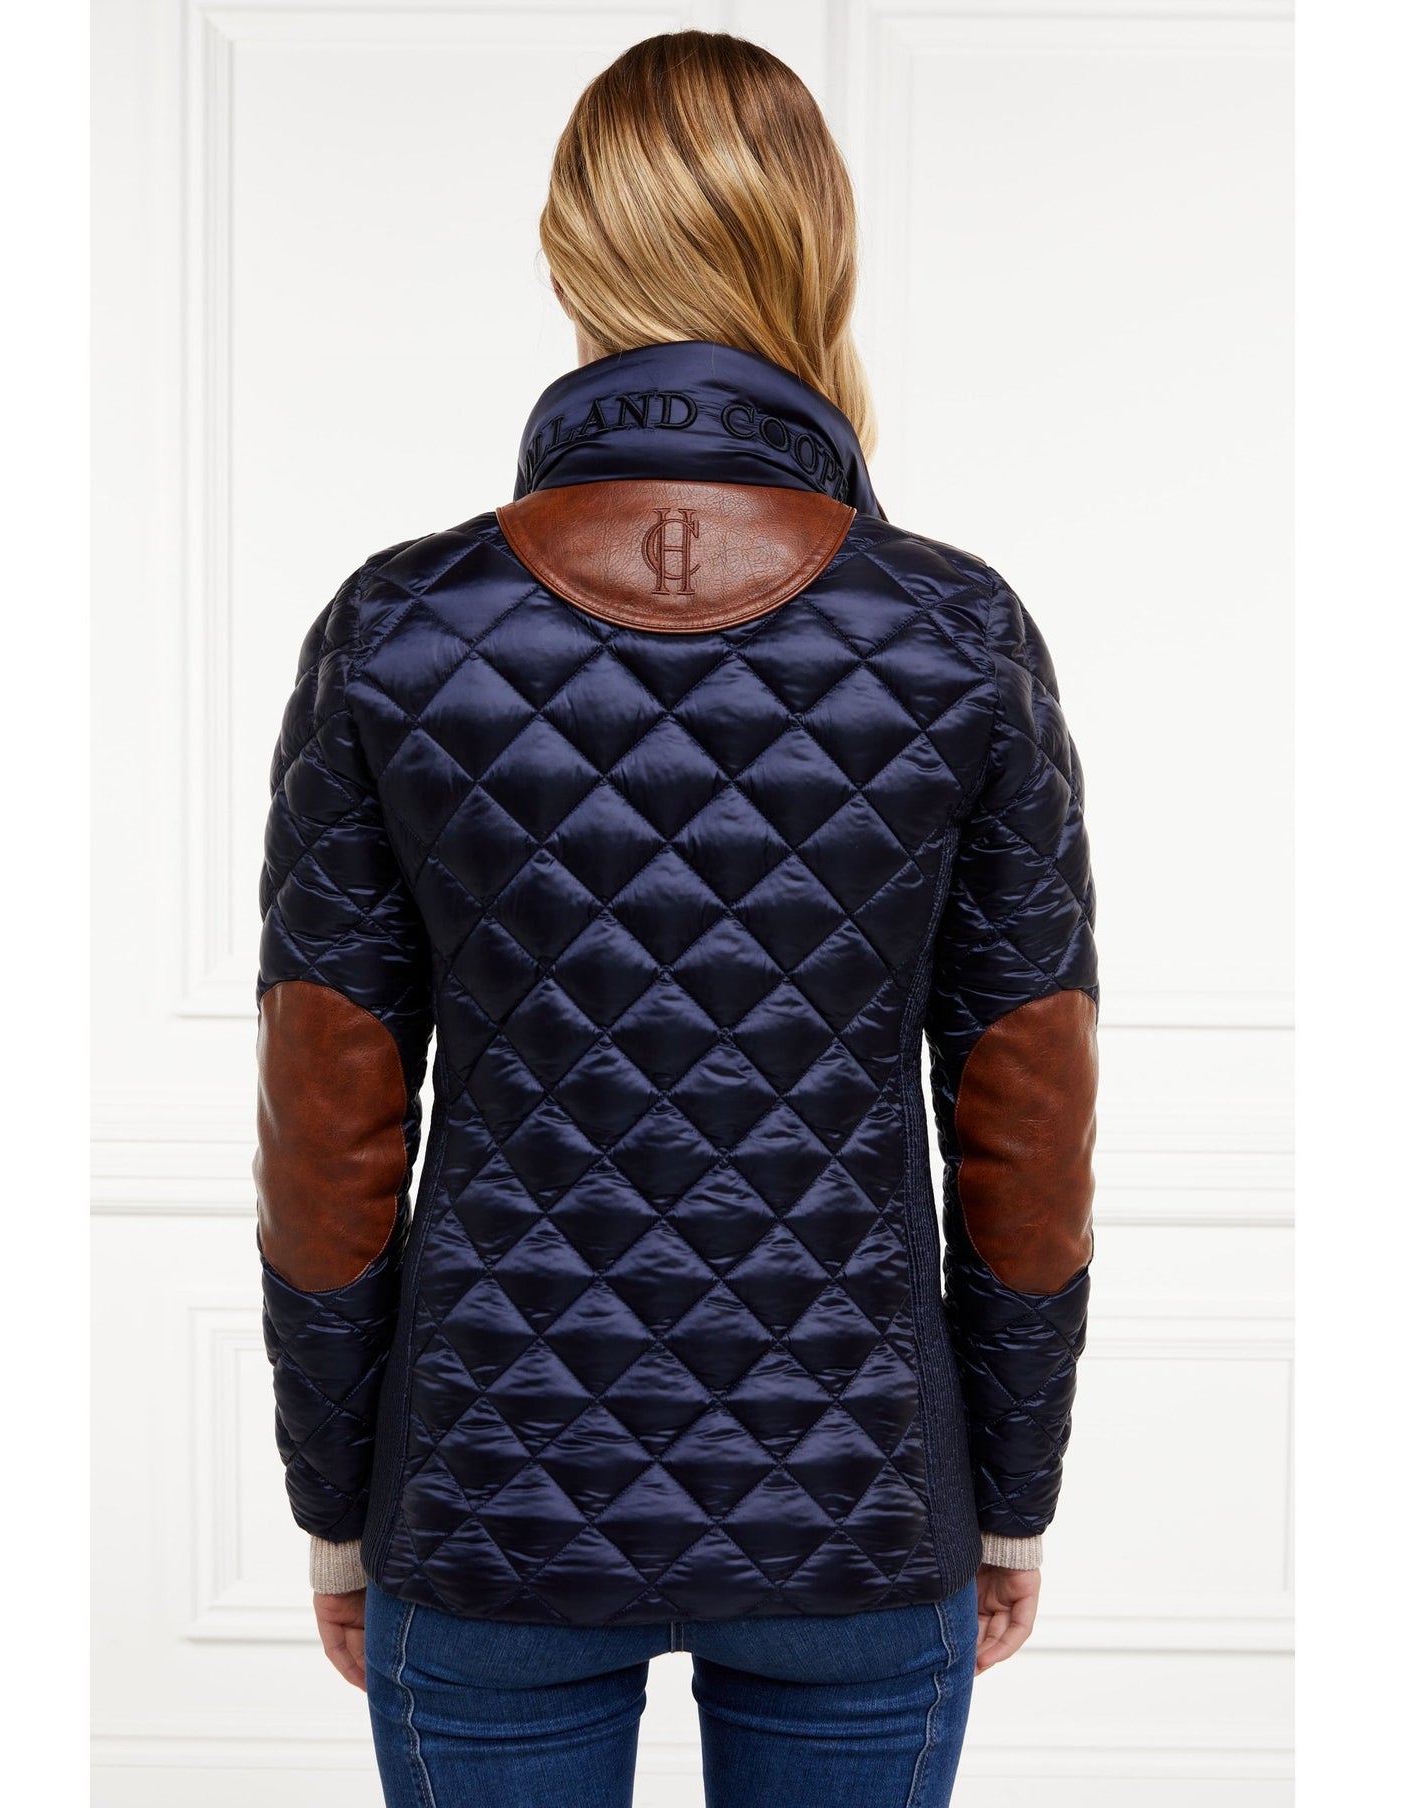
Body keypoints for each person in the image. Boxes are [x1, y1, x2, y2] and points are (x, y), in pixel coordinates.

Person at [251, 28, 1099, 1808]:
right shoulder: (953, 632)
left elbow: (328, 1126)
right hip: (857, 1502)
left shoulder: (398, 628)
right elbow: (1027, 1118)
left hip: (484, 1499)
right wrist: (1006, 1492)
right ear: (817, 252)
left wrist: (340, 1505)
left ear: (573, 255)